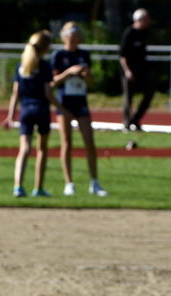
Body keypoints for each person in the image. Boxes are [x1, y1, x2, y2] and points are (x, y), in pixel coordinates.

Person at [51, 21, 107, 197]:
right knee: (66, 142)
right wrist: (69, 72)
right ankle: (69, 183)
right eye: (72, 33)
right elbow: (53, 82)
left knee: (89, 142)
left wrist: (86, 75)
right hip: (64, 102)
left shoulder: (84, 54)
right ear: (65, 36)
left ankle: (95, 182)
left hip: (81, 102)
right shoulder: (58, 55)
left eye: (77, 33)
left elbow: (91, 84)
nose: (76, 37)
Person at [3, 30, 57, 198]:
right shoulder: (45, 66)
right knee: (42, 150)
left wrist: (10, 115)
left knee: (24, 148)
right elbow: (48, 93)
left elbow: (15, 93)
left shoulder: (22, 66)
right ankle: (38, 187)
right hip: (41, 109)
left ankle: (18, 185)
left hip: (26, 110)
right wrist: (60, 108)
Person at [119, 8, 153, 131]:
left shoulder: (145, 32)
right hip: (129, 71)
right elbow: (122, 55)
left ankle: (136, 119)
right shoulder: (129, 33)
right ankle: (126, 122)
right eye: (146, 19)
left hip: (142, 70)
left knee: (149, 93)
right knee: (128, 98)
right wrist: (127, 71)